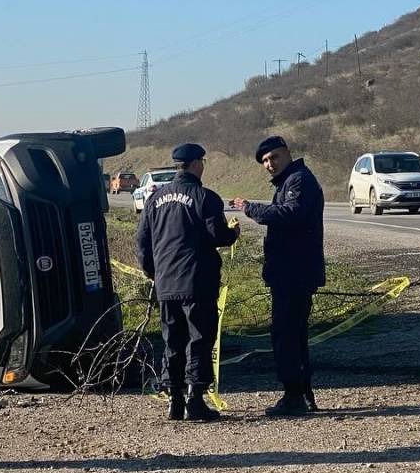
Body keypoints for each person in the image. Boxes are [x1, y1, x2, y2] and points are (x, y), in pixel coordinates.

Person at [135, 143, 239, 422]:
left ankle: (174, 400)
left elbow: (142, 243)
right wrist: (233, 234)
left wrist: (152, 273)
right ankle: (195, 398)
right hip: (197, 281)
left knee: (172, 340)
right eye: (202, 161)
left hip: (166, 283)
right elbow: (217, 235)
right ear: (196, 164)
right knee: (199, 338)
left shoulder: (154, 200)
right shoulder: (206, 197)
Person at [232, 137, 325, 417]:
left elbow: (290, 213)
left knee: (286, 334)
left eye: (274, 158)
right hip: (289, 272)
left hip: (294, 273)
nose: (270, 165)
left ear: (287, 154)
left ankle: (294, 395)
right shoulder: (289, 182)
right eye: (265, 161)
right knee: (294, 335)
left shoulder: (299, 180)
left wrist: (251, 209)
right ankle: (302, 393)